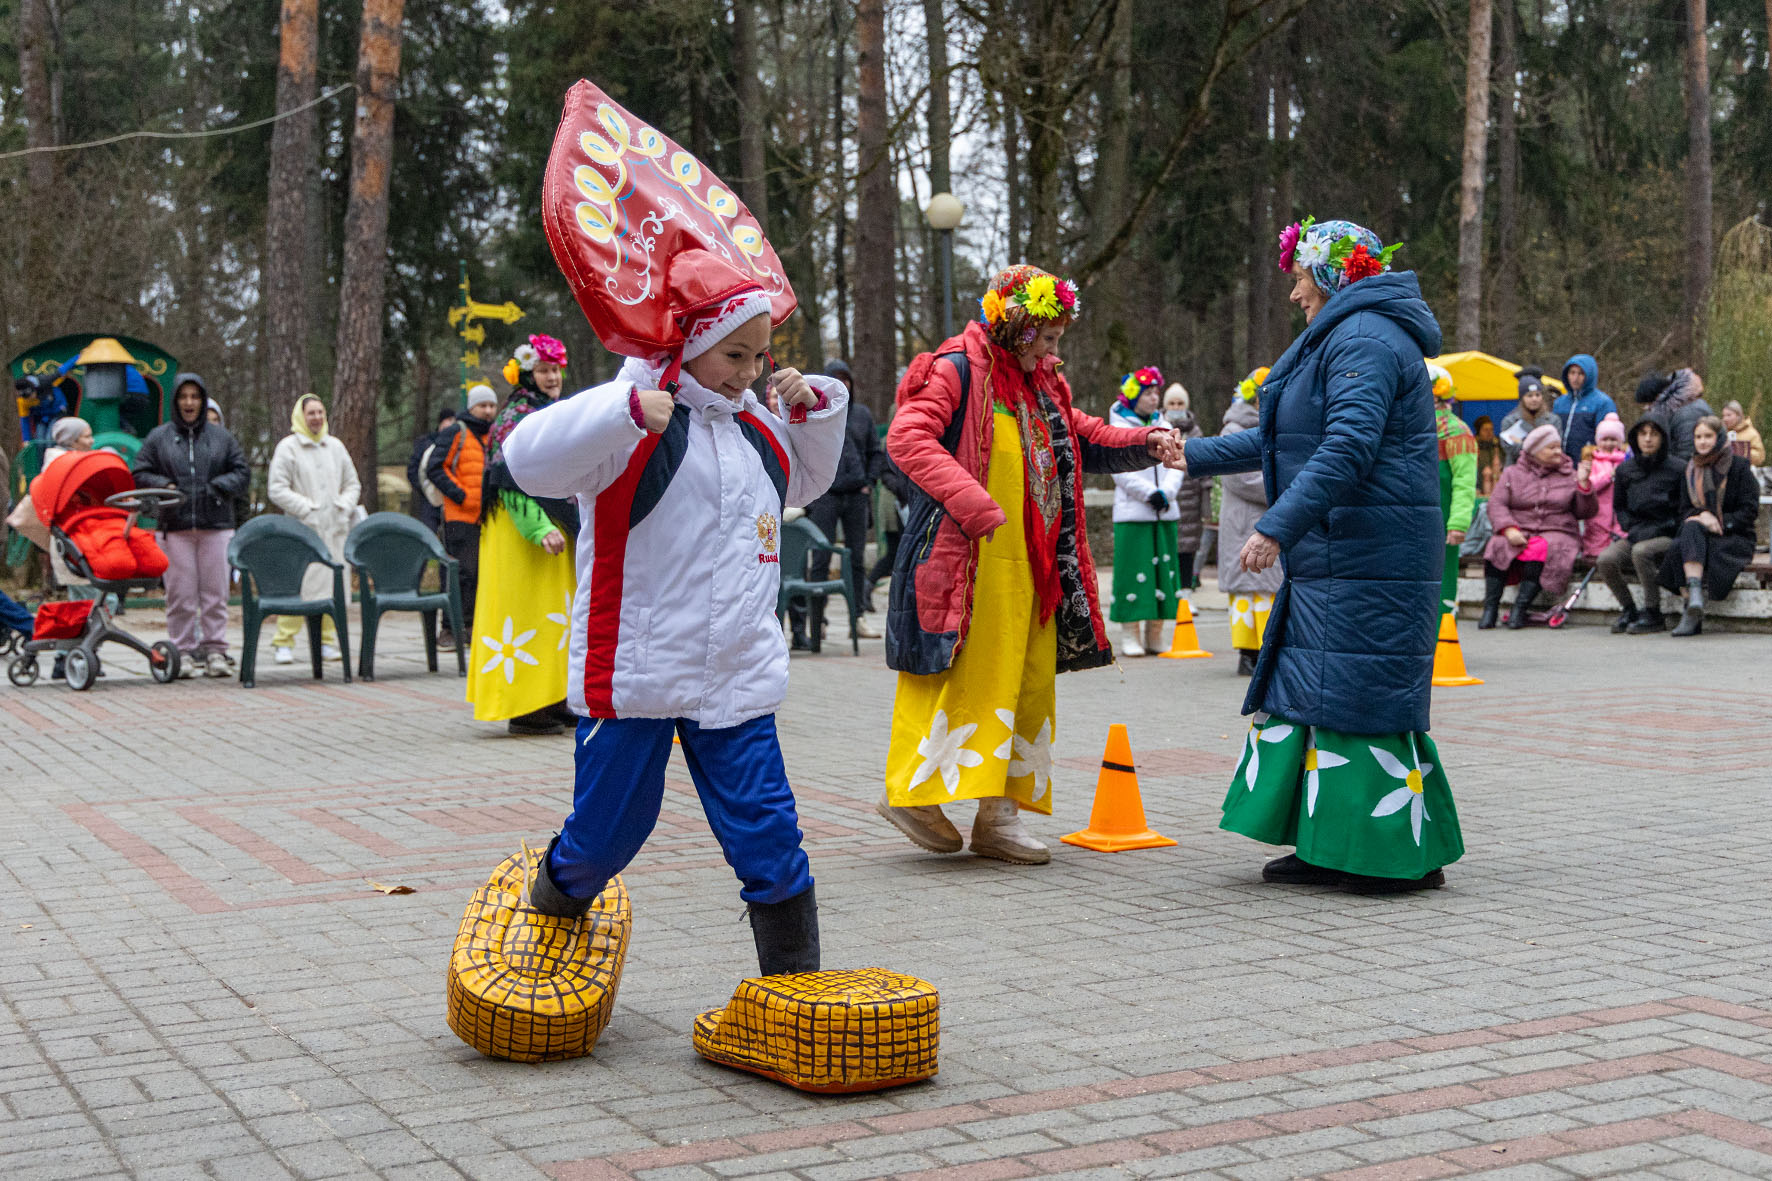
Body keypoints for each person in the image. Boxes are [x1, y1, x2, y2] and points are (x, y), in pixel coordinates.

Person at [504, 255, 847, 977]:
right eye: (734, 354)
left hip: (737, 677)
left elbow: (806, 484)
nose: (749, 371)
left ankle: (796, 989)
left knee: (771, 837)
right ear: (688, 337)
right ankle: (547, 913)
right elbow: (524, 461)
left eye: (760, 355)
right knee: (604, 836)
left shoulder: (756, 422)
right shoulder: (635, 412)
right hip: (638, 677)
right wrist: (620, 411)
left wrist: (814, 409)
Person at [1179, 216, 1462, 893]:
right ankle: (1324, 842)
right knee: (1316, 690)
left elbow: (1348, 447)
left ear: (1334, 274)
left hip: (1372, 553)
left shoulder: (1363, 337)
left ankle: (1390, 856)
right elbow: (1287, 439)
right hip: (1342, 552)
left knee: (1360, 695)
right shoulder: (1341, 335)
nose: (1294, 292)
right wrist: (1188, 454)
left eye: (1302, 275)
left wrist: (1275, 525)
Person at [879, 263, 1179, 864]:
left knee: (1027, 684)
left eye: (1059, 337)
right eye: (1047, 335)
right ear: (1016, 326)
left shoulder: (1043, 385)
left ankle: (999, 818)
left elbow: (1082, 434)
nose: (1054, 347)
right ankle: (914, 795)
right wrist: (973, 502)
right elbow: (907, 438)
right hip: (971, 559)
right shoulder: (955, 368)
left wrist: (1144, 441)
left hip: (1035, 564)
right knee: (964, 678)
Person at [467, 335, 579, 736]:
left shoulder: (552, 410)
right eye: (543, 371)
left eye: (555, 370)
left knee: (558, 615)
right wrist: (539, 527)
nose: (552, 377)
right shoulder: (516, 415)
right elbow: (507, 479)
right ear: (527, 375)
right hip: (523, 533)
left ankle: (556, 697)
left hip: (555, 529)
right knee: (526, 614)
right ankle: (525, 707)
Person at [131, 374, 251, 677]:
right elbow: (140, 472)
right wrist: (165, 484)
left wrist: (218, 486)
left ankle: (215, 652)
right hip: (175, 528)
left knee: (216, 594)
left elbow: (242, 472)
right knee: (180, 595)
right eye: (183, 397)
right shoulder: (159, 437)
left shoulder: (221, 438)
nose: (189, 403)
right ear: (175, 401)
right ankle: (182, 650)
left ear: (202, 400)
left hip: (217, 526)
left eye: (195, 397)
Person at [265, 394, 360, 664]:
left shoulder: (336, 447)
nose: (316, 418)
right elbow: (277, 488)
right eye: (311, 413)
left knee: (332, 587)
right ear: (300, 416)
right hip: (305, 531)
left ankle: (328, 642)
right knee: (300, 587)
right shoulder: (288, 447)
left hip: (334, 530)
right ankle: (284, 641)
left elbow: (352, 483)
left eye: (320, 412)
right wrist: (307, 508)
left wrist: (344, 504)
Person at [793, 358, 882, 645]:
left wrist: (868, 481)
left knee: (856, 559)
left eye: (847, 379)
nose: (843, 384)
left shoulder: (861, 415)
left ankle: (858, 618)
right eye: (837, 379)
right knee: (820, 557)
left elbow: (874, 451)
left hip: (856, 495)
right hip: (825, 495)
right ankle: (817, 624)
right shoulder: (818, 413)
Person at [1478, 424, 1596, 630]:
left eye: (1559, 446)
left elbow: (1584, 512)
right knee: (1497, 544)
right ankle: (1490, 608)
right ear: (1535, 451)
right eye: (1551, 447)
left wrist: (1584, 486)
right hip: (1519, 527)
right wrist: (1508, 528)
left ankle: (1520, 609)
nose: (1558, 452)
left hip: (1558, 530)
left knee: (1543, 547)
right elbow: (1496, 503)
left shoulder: (1570, 474)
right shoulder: (1513, 473)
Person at [1108, 366, 1185, 657]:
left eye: (1157, 392)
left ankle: (1155, 633)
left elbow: (1177, 460)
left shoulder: (1163, 423)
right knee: (1133, 571)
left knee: (1163, 573)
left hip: (1164, 511)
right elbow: (1120, 469)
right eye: (1149, 392)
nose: (1155, 398)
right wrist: (1148, 493)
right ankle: (1130, 632)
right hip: (1134, 513)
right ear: (1134, 395)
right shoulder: (1118, 426)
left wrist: (1167, 492)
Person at [1657, 415, 1757, 637]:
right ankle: (1692, 602)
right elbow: (1684, 509)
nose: (1702, 442)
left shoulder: (1738, 466)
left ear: (1719, 437)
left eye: (1708, 436)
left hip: (1733, 535)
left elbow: (1749, 510)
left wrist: (1720, 522)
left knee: (1682, 545)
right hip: (1700, 534)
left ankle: (1691, 608)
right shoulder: (1690, 470)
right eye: (1698, 437)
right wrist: (1703, 515)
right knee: (1683, 538)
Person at [1217, 368, 1281, 676]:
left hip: (1260, 520)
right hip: (1244, 522)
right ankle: (1248, 654)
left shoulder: (1270, 427)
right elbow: (1240, 479)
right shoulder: (1233, 430)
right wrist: (1283, 487)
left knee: (1265, 588)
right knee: (1248, 589)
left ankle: (1264, 651)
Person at [1599, 418, 1684, 634]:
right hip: (1637, 531)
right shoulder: (1626, 470)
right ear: (1635, 438)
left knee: (1641, 552)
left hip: (1668, 533)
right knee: (1606, 559)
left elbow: (1685, 508)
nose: (1647, 439)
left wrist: (1665, 527)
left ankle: (1653, 612)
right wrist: (1629, 525)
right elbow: (1620, 506)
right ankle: (1629, 609)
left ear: (1662, 438)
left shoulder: (1678, 468)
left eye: (1653, 434)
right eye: (1642, 434)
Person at [426, 385, 496, 641]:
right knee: (462, 573)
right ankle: (451, 628)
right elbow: (435, 467)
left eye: (491, 406)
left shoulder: (496, 434)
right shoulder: (457, 431)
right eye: (482, 406)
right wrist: (460, 495)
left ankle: (472, 626)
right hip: (460, 516)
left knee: (481, 572)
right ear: (471, 407)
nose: (487, 411)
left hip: (488, 517)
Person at [1430, 365, 1477, 616]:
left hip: (1442, 521)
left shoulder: (1457, 431)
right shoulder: (1404, 426)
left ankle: (1442, 641)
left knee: (1442, 581)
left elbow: (1464, 481)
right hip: (1409, 521)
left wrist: (1458, 522)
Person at [1162, 383, 1208, 597]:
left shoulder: (1195, 431)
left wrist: (1206, 507)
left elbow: (1205, 470)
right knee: (1167, 546)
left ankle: (1186, 593)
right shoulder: (1158, 428)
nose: (1176, 406)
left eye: (1180, 403)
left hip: (1191, 499)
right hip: (1168, 497)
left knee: (1187, 548)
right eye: (1172, 403)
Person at [1578, 414, 1628, 566]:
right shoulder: (1591, 462)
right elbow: (1589, 485)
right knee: (1596, 553)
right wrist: (1609, 476)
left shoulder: (1627, 461)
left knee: (1617, 556)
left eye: (1613, 440)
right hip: (1598, 516)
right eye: (1604, 439)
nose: (1609, 443)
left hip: (1619, 518)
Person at [1635, 369, 1713, 461]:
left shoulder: (1688, 414)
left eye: (1648, 404)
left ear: (1658, 398)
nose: (1646, 408)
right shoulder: (1676, 409)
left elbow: (1687, 454)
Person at [1554, 353, 1617, 460]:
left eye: (1581, 374)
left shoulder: (1603, 402)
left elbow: (1609, 438)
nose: (1575, 378)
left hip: (1590, 464)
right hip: (1561, 465)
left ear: (1589, 375)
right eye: (1572, 373)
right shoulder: (1559, 403)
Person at [407, 407, 456, 536]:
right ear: (441, 422)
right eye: (448, 420)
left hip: (450, 500)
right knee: (429, 535)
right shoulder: (426, 443)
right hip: (429, 501)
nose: (450, 424)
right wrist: (425, 489)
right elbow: (413, 471)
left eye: (453, 420)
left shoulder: (456, 444)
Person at [1498, 369, 1562, 466]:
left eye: (1537, 395)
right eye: (1529, 395)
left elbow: (1556, 447)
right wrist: (1542, 447)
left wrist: (1522, 443)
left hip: (1545, 473)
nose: (1534, 399)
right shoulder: (1510, 421)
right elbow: (1510, 449)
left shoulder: (1553, 420)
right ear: (1522, 398)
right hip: (1518, 472)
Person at [1721, 400, 1764, 465]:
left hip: (1744, 471)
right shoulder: (1721, 432)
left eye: (1729, 415)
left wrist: (1741, 451)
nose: (1725, 419)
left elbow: (1760, 457)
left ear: (1738, 415)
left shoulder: (1751, 433)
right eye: (1723, 416)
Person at [1473, 415, 1502, 495]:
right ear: (1478, 432)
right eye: (1485, 430)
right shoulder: (1473, 447)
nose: (1489, 433)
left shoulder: (1498, 446)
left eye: (1491, 429)